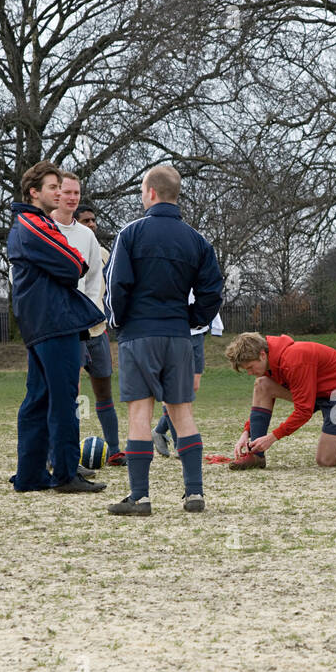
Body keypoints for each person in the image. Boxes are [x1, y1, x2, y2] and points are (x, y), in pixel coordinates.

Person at [102, 165, 223, 515]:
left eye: (142, 191)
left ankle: (140, 497)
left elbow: (116, 286)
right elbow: (212, 292)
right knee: (182, 413)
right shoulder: (197, 240)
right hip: (178, 335)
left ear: (151, 193)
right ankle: (194, 493)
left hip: (139, 334)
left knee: (140, 413)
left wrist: (118, 322)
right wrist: (192, 319)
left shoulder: (131, 233)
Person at [7, 160, 107, 495]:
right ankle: (65, 474)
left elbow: (72, 262)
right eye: (52, 187)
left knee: (38, 398)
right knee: (63, 399)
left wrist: (70, 263)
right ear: (34, 192)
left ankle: (30, 475)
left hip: (45, 323)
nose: (58, 192)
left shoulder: (35, 222)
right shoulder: (32, 223)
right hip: (53, 322)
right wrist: (72, 263)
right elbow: (74, 264)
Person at [224, 332, 336, 469]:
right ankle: (256, 455)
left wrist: (272, 437)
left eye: (250, 367)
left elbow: (304, 411)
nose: (250, 372)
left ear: (262, 354)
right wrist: (246, 432)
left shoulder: (293, 360)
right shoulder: (269, 362)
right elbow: (262, 402)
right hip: (315, 391)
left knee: (326, 460)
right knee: (262, 384)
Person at [54, 178, 123, 467]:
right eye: (86, 220)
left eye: (94, 220)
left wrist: (99, 314)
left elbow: (102, 286)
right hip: (67, 330)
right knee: (70, 394)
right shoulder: (51, 234)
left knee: (104, 390)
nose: (91, 224)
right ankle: (64, 453)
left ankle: (116, 450)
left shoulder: (99, 249)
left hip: (96, 329)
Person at [152, 291, 223, 459]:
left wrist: (216, 323)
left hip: (197, 331)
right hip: (173, 330)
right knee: (174, 390)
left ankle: (160, 430)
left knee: (192, 388)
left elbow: (207, 292)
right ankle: (180, 445)